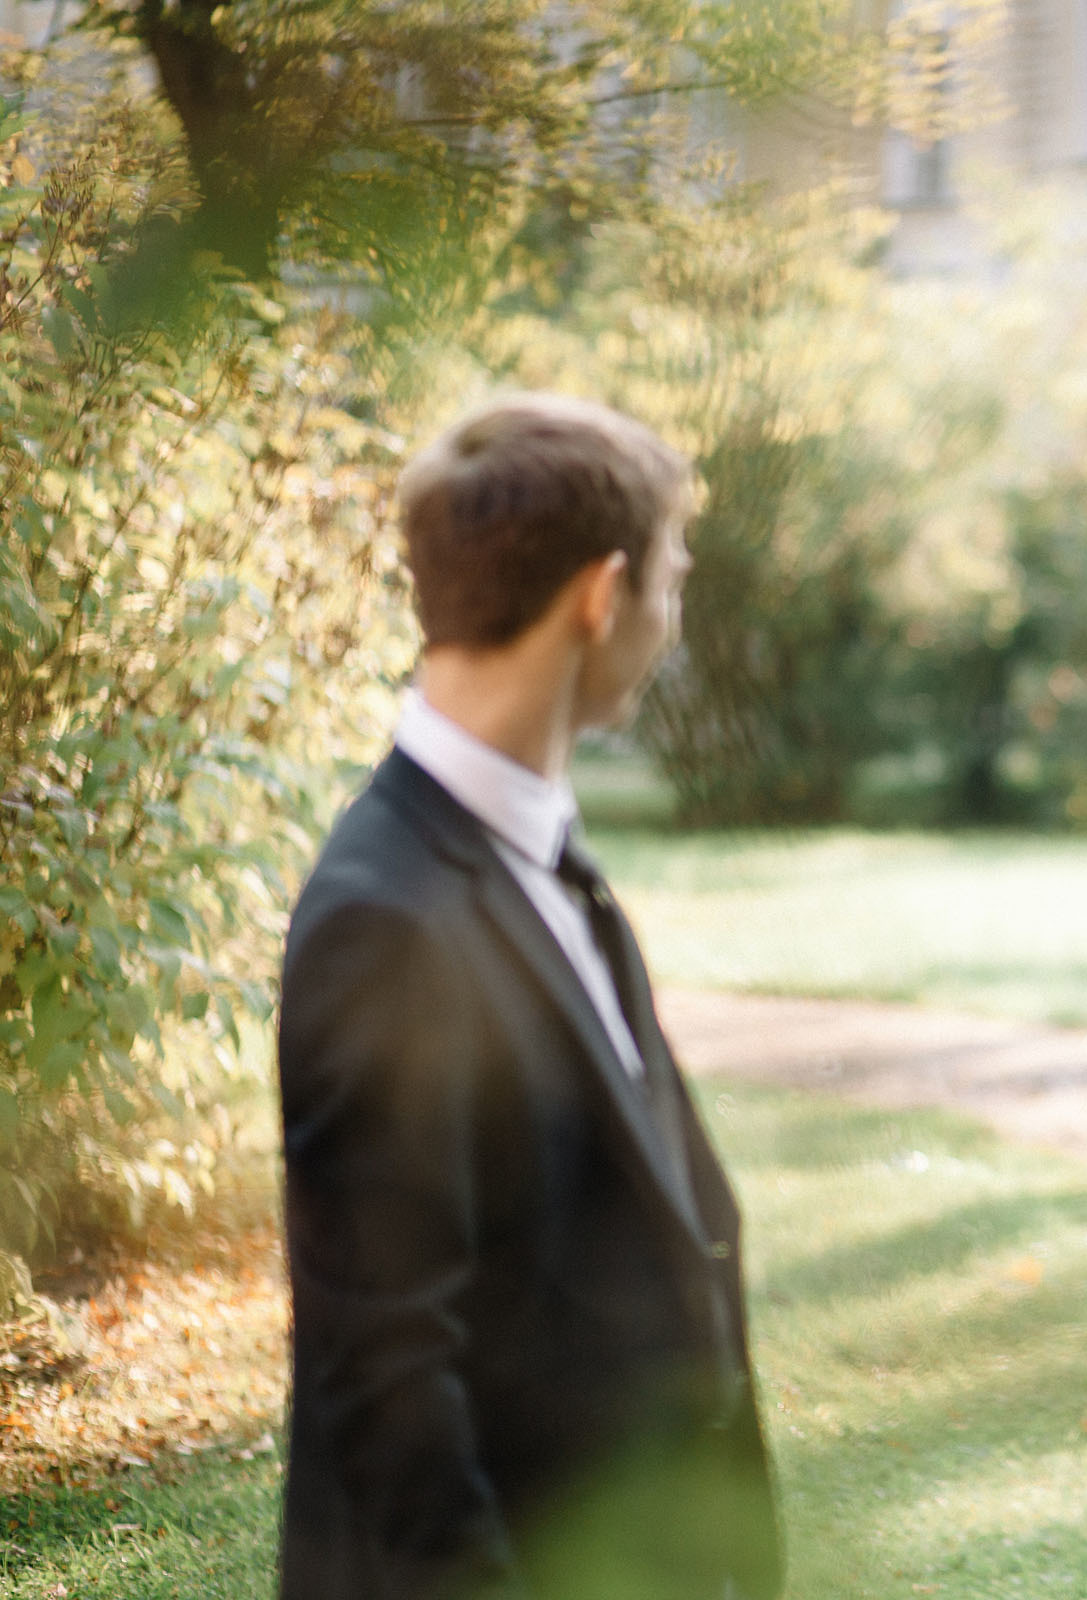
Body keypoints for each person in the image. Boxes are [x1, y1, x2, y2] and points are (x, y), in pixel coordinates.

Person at [276, 393, 783, 1600]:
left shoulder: (539, 850)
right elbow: (391, 1391)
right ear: (601, 596)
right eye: (668, 584)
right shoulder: (383, 918)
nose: (668, 624)